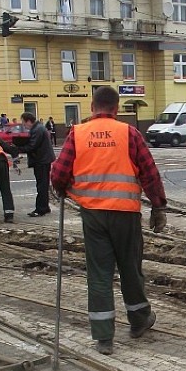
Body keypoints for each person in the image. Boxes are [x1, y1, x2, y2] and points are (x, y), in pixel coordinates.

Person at [51, 86, 168, 356]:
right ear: (116, 109)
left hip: (93, 215)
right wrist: (158, 207)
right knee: (130, 268)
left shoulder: (77, 134)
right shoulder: (129, 134)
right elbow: (150, 173)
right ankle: (139, 321)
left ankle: (104, 337)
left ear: (92, 107)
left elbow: (59, 174)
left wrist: (60, 189)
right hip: (126, 214)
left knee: (99, 275)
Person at [16, 111, 56, 217]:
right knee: (43, 184)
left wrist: (18, 149)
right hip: (43, 159)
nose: (24, 126)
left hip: (41, 160)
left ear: (29, 121)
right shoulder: (38, 128)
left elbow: (32, 146)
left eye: (24, 123)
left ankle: (41, 209)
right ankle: (45, 207)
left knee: (41, 185)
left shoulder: (37, 129)